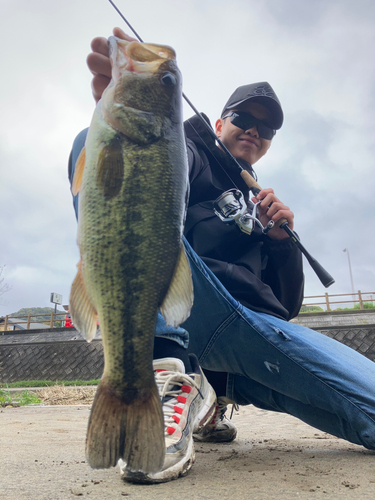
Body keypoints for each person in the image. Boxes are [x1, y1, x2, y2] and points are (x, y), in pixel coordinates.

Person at [69, 28, 375, 484]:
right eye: (243, 118)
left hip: (246, 335)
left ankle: (207, 394)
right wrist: (124, 126)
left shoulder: (265, 207)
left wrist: (280, 242)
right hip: (180, 311)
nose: (254, 129)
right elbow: (146, 178)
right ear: (218, 123)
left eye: (266, 128)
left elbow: (286, 308)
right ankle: (165, 372)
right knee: (84, 144)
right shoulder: (186, 151)